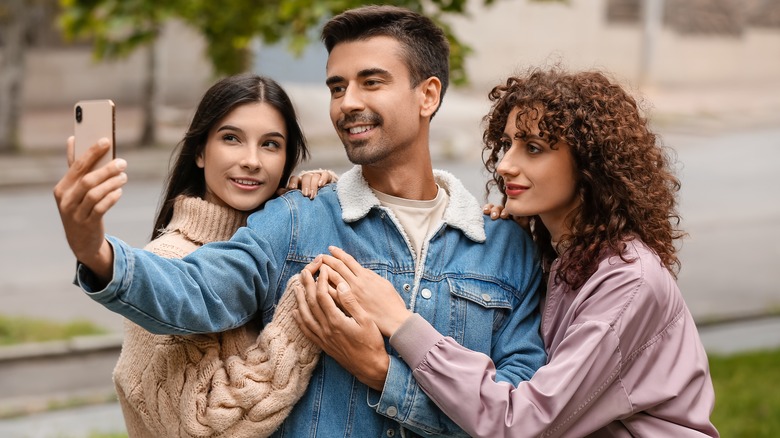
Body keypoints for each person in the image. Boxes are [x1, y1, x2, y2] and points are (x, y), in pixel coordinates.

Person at [53, 5, 546, 438]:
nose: (348, 101)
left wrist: (384, 375)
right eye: (337, 86)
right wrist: (95, 252)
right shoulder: (297, 217)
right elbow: (198, 289)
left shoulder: (504, 244)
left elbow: (513, 412)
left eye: (371, 82)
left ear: (428, 96)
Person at [295, 67, 719, 437]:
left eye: (532, 149)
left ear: (591, 166)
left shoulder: (628, 280)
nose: (504, 165)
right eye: (509, 144)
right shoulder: (559, 256)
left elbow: (524, 421)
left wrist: (400, 323)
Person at [55, 73, 334, 437]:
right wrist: (306, 310)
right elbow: (205, 426)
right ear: (200, 151)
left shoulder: (285, 243)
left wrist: (314, 212)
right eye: (231, 139)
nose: (252, 160)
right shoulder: (169, 261)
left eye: (270, 144)